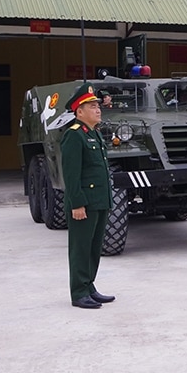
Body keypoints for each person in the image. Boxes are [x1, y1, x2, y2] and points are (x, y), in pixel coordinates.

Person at [61, 82, 115, 309]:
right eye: (91, 106)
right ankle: (79, 292)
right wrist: (77, 204)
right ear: (79, 111)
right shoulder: (74, 136)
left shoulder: (93, 134)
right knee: (81, 248)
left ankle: (89, 286)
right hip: (84, 204)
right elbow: (71, 175)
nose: (97, 109)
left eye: (97, 105)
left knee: (94, 248)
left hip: (99, 202)